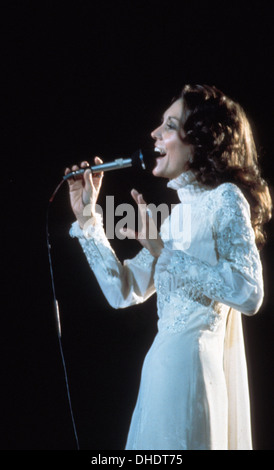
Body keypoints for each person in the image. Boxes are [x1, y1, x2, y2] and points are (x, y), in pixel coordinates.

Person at [65, 84, 272, 450]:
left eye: (170, 125)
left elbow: (249, 292)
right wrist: (87, 221)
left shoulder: (225, 199)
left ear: (200, 141)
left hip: (191, 379)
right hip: (160, 376)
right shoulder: (175, 218)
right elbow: (123, 291)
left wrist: (166, 254)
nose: (154, 134)